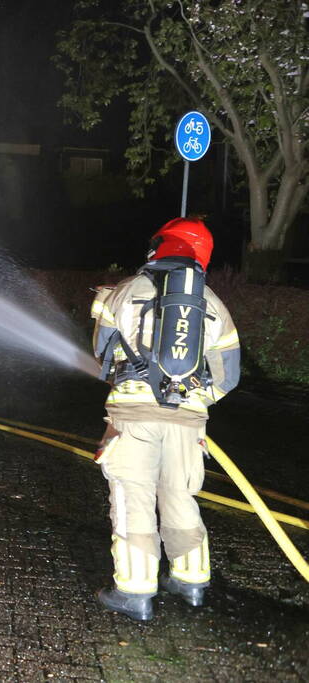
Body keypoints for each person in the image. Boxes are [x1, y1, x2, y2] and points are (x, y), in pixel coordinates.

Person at [90, 218, 240, 621]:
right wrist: (194, 401)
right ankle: (191, 582)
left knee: (134, 499)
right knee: (180, 498)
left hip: (132, 421)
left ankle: (136, 593)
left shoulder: (124, 292)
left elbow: (102, 355)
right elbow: (229, 375)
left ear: (159, 247)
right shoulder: (214, 305)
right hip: (188, 425)